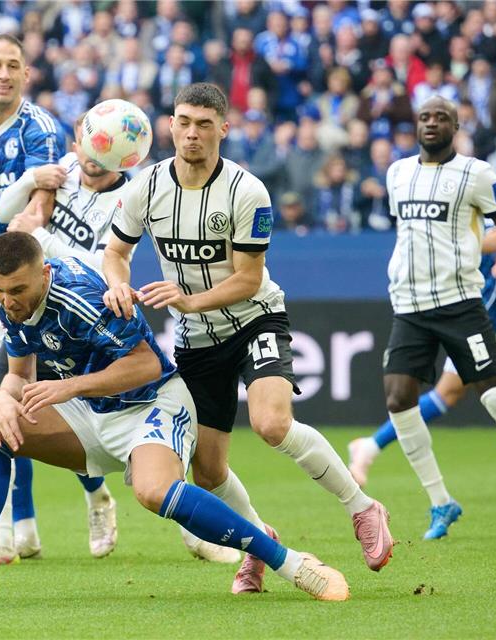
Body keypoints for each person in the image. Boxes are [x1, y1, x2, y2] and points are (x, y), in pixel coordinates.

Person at [0, 232, 347, 602]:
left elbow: (147, 366)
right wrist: (7, 398)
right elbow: (19, 374)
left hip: (151, 404)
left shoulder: (81, 297)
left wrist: (68, 387)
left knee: (153, 491)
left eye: (17, 291)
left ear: (43, 274)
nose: (8, 301)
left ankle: (290, 563)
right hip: (91, 413)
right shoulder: (14, 302)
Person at [102, 83, 393, 595]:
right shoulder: (144, 187)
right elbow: (116, 252)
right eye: (184, 121)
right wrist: (117, 283)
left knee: (272, 423)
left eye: (204, 124)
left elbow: (249, 278)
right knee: (208, 471)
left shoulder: (247, 191)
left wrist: (188, 300)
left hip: (255, 320)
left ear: (224, 129)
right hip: (197, 342)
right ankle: (258, 541)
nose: (192, 133)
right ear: (170, 124)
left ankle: (362, 508)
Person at [0, 113, 236, 563]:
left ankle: (192, 521)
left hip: (90, 317)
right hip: (42, 309)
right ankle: (74, 506)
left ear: (123, 154)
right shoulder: (60, 174)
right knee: (21, 407)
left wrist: (38, 235)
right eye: (86, 143)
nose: (89, 155)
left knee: (121, 420)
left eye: (101, 147)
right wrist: (31, 180)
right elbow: (7, 217)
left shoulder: (131, 194)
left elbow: (98, 263)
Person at [379, 96, 496, 540]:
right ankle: (441, 502)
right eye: (425, 117)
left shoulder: (477, 174)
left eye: (441, 118)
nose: (431, 123)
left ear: (456, 126)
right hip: (409, 305)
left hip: (460, 303)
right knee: (398, 397)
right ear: (416, 125)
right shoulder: (397, 173)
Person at [350, 148, 496, 500]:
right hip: (480, 319)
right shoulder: (486, 205)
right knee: (447, 394)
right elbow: (481, 241)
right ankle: (370, 447)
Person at [0, 33, 91, 565]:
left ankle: (93, 493)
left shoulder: (40, 128)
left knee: (41, 400)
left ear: (26, 74)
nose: (4, 74)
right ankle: (18, 526)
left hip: (43, 286)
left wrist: (28, 203)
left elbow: (41, 206)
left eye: (13, 65)